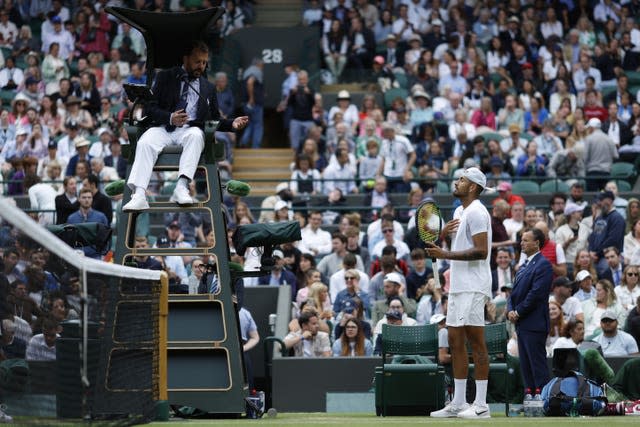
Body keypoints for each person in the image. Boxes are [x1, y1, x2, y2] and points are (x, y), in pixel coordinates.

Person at [122, 40, 248, 211]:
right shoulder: (165, 77)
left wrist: (231, 123)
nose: (201, 66)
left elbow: (214, 118)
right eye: (198, 61)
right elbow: (150, 109)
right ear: (186, 59)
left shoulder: (208, 87)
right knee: (145, 142)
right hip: (163, 128)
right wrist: (170, 117)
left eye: (204, 62)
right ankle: (139, 194)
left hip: (189, 131)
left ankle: (181, 187)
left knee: (196, 135)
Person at [427, 167, 493, 419]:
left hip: (474, 285)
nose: (457, 182)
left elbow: (480, 251)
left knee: (476, 341)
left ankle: (481, 405)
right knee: (455, 342)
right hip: (457, 286)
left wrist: (445, 255)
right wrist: (442, 237)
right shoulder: (458, 211)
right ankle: (458, 403)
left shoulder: (477, 212)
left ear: (473, 186)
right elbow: (458, 245)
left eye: (462, 179)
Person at [507, 228, 553, 395]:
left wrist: (517, 312)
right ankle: (530, 398)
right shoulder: (523, 266)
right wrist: (510, 310)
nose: (522, 243)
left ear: (537, 243)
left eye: (526, 240)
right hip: (522, 324)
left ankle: (544, 399)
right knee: (526, 366)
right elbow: (513, 294)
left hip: (534, 323)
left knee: (537, 365)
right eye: (521, 240)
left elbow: (536, 294)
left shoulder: (544, 265)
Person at [66, 188, 109, 258]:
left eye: (89, 197)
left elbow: (106, 240)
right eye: (84, 197)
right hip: (77, 258)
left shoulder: (101, 217)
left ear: (92, 199)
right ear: (79, 199)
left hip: (96, 258)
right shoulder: (71, 219)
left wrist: (102, 256)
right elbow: (69, 241)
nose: (87, 200)